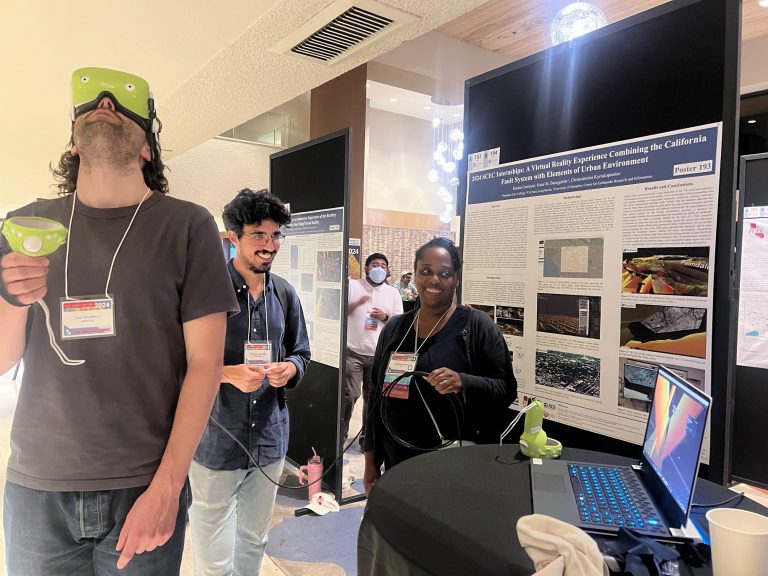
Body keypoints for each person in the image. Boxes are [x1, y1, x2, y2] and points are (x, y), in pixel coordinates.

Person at [0, 67, 238, 575]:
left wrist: (169, 486)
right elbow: (3, 359)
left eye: (122, 103)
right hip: (39, 485)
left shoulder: (188, 226)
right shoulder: (22, 227)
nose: (105, 102)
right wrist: (10, 297)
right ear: (73, 142)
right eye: (90, 102)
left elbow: (205, 364)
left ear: (147, 148)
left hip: (143, 482)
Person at [189, 188, 311, 576]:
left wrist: (289, 368)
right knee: (212, 543)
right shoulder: (204, 292)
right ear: (234, 237)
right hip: (215, 436)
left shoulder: (285, 295)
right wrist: (224, 374)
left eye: (276, 236)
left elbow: (301, 353)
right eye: (259, 234)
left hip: (269, 439)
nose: (269, 244)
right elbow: (177, 360)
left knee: (254, 538)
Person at [363, 237, 516, 494]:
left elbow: (506, 388)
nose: (434, 280)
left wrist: (463, 382)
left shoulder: (476, 326)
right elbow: (377, 397)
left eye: (444, 273)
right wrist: (370, 461)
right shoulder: (395, 327)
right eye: (426, 271)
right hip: (398, 462)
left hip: (454, 466)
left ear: (456, 278)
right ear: (416, 274)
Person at [343, 253, 403, 448]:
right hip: (353, 351)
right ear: (367, 268)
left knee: (372, 398)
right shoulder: (353, 286)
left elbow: (399, 321)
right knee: (349, 395)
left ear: (387, 270)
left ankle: (366, 438)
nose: (379, 268)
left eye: (383, 266)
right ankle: (340, 434)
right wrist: (357, 304)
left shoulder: (393, 293)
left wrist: (385, 316)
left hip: (379, 354)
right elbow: (340, 310)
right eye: (375, 265)